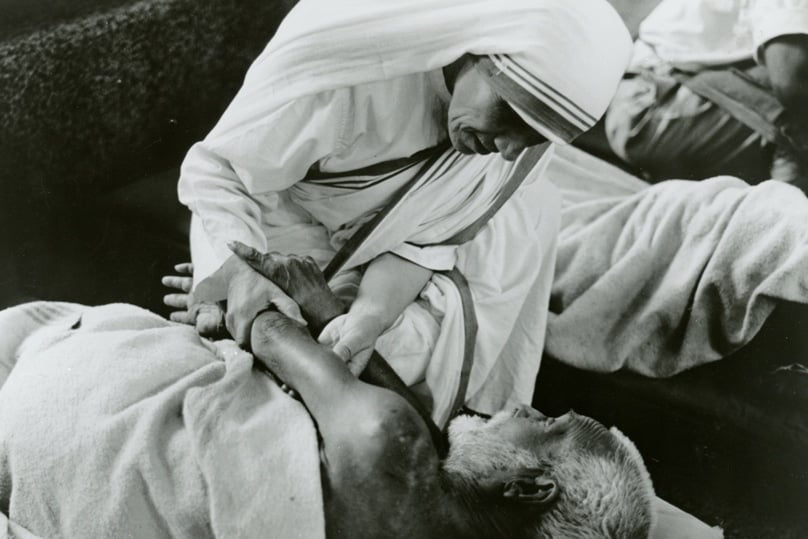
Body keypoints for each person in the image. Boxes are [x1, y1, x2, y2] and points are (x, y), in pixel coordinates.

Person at [172, 0, 633, 425]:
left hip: (378, 251)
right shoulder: (352, 65)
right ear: (480, 53)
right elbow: (220, 170)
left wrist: (367, 320)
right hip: (273, 212)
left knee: (515, 229)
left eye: (534, 137)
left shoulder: (513, 150)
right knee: (273, 342)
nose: (509, 150)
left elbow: (426, 238)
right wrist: (237, 271)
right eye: (512, 118)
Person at [170, 247, 659, 539]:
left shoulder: (390, 441)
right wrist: (322, 309)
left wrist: (238, 284)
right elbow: (430, 448)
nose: (524, 406)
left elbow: (266, 325)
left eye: (547, 424)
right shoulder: (448, 505)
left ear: (528, 488)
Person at [594, 0, 808, 186]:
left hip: (652, 98)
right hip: (653, 104)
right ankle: (789, 205)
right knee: (796, 97)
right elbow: (789, 82)